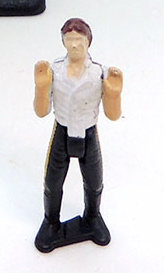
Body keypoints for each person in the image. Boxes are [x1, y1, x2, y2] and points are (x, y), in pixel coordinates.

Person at [33, 17, 122, 252]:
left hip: (88, 132)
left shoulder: (99, 73)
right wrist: (41, 87)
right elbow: (41, 111)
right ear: (63, 41)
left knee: (94, 181)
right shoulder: (55, 71)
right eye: (69, 39)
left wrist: (114, 93)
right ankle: (51, 222)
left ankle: (92, 217)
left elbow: (113, 115)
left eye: (79, 40)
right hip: (62, 131)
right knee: (53, 183)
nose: (74, 45)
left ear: (89, 41)